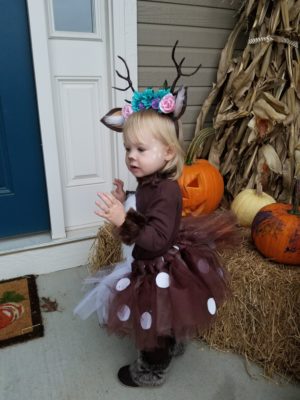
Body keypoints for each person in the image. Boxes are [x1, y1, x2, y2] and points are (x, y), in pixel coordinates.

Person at [74, 42, 239, 387]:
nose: (131, 156)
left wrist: (123, 218)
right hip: (149, 260)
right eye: (128, 149)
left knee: (152, 320)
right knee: (163, 316)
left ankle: (152, 368)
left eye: (141, 149)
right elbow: (144, 216)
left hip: (159, 264)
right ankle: (171, 341)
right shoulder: (149, 182)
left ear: (167, 152)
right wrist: (127, 199)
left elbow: (155, 237)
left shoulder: (165, 190)